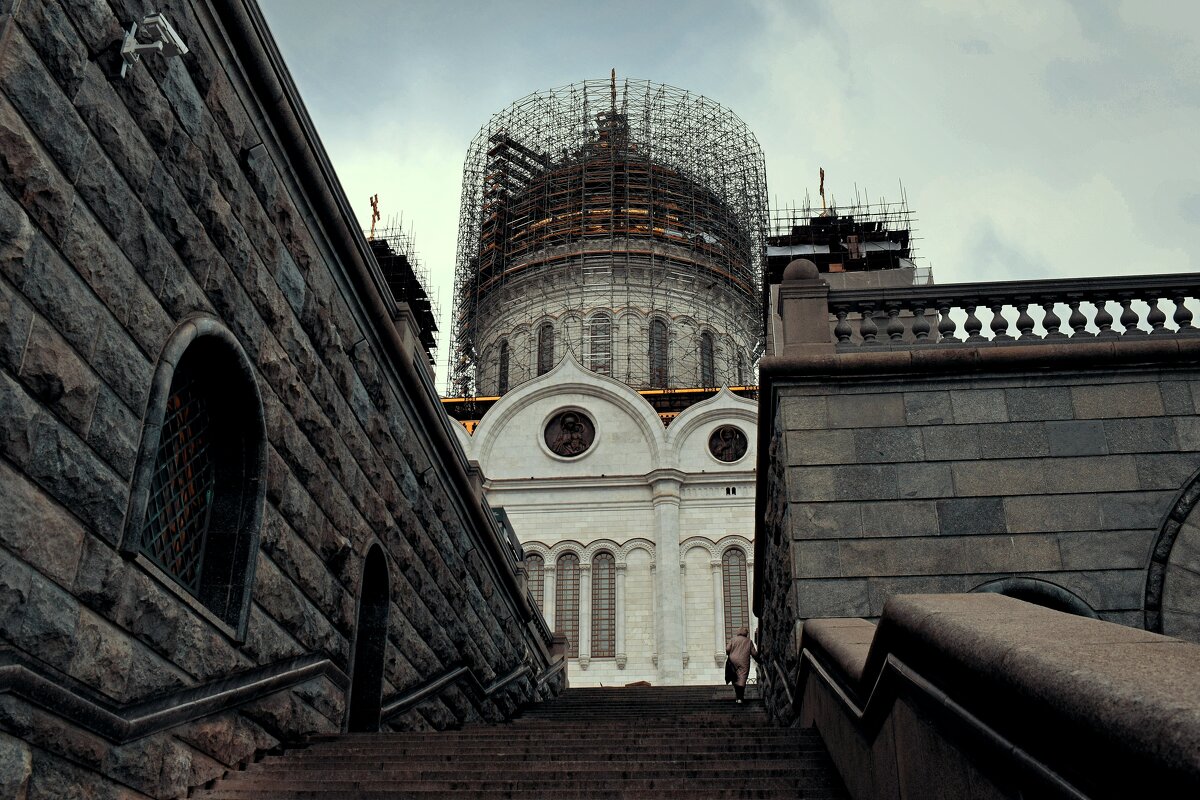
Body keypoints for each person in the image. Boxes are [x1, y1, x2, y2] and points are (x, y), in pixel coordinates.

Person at [725, 625, 757, 703]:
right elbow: (754, 653)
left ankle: (737, 696)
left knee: (734, 677)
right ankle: (740, 697)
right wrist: (759, 658)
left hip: (733, 661)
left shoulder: (733, 640)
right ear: (746, 633)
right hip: (744, 661)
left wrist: (729, 653)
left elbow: (727, 649)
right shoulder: (749, 641)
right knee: (742, 677)